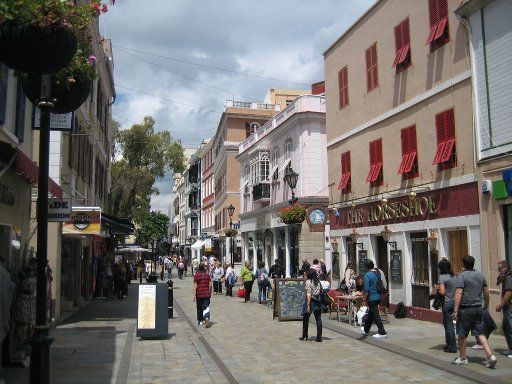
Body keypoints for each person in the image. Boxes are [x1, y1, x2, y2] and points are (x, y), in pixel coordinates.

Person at [452, 255, 497, 368]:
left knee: (462, 334)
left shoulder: (462, 276)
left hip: (466, 309)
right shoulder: (481, 276)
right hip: (478, 308)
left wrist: (455, 310)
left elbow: (458, 292)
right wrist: (486, 305)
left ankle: (463, 358)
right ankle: (490, 355)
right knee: (480, 333)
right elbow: (486, 292)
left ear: (463, 264)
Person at [361, 259, 387, 338]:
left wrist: (364, 299)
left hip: (371, 297)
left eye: (364, 266)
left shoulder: (367, 275)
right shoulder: (377, 272)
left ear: (366, 266)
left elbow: (366, 289)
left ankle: (382, 332)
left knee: (375, 314)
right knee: (371, 314)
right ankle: (366, 329)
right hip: (378, 296)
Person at [436, 259, 457, 353]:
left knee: (449, 325)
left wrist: (437, 288)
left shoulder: (442, 277)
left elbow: (442, 292)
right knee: (447, 323)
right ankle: (449, 344)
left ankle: (452, 346)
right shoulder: (454, 276)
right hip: (455, 302)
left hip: (447, 302)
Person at [299, 269, 325, 342]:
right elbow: (319, 291)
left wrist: (308, 303)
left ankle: (304, 335)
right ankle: (319, 337)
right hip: (318, 301)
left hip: (311, 301)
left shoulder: (308, 282)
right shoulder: (318, 281)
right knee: (318, 319)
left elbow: (308, 293)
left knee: (305, 318)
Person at [496, 260, 512, 359]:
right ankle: (510, 348)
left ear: (505, 267)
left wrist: (500, 305)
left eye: (500, 268)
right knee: (505, 327)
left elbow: (509, 292)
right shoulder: (506, 277)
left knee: (510, 327)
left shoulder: (509, 277)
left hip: (509, 306)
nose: (499, 271)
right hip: (507, 306)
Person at [193, 263, 212, 327]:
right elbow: (210, 285)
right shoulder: (207, 275)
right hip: (206, 294)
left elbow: (195, 286)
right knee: (206, 306)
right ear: (204, 268)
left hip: (199, 294)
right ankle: (206, 318)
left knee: (199, 308)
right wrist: (210, 292)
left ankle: (200, 321)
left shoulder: (196, 275)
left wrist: (194, 294)